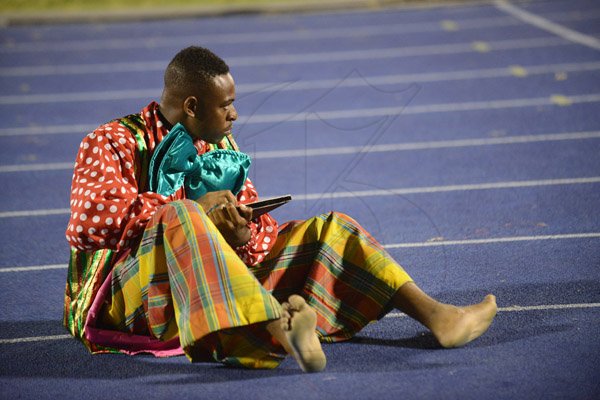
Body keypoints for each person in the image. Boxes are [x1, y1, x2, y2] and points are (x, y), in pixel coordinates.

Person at [64, 46, 497, 372]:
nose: (234, 115)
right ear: (192, 106)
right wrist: (191, 210)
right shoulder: (111, 140)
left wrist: (240, 236)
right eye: (226, 105)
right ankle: (277, 329)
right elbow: (87, 223)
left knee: (331, 229)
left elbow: (258, 232)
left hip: (210, 287)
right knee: (183, 216)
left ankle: (438, 316)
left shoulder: (222, 148)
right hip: (130, 300)